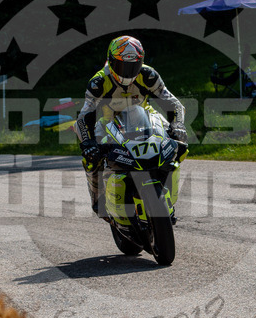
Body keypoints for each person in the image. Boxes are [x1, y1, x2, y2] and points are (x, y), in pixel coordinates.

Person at [76, 35, 187, 219]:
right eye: (122, 66)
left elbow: (173, 103)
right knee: (91, 158)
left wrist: (178, 124)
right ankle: (98, 199)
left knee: (178, 144)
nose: (128, 72)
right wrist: (88, 143)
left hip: (145, 116)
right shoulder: (99, 82)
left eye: (133, 66)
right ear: (111, 61)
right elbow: (84, 116)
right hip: (108, 122)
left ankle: (166, 194)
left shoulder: (148, 75)